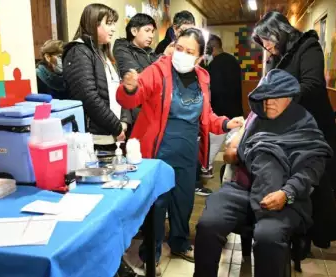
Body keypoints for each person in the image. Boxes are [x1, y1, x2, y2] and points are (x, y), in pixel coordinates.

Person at [117, 28, 244, 275]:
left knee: (184, 202)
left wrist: (226, 123)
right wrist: (130, 88)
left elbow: (206, 117)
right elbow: (131, 99)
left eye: (190, 52)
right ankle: (150, 254)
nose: (182, 54)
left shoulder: (203, 77)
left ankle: (179, 243)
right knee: (157, 204)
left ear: (199, 58)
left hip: (187, 152)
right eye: (179, 48)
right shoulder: (158, 70)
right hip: (157, 152)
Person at [194, 69, 333, 277]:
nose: (269, 102)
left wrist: (287, 193)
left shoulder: (304, 123)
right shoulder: (256, 118)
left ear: (289, 97)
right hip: (243, 189)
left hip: (281, 194)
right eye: (265, 96)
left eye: (276, 96)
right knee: (208, 224)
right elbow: (234, 153)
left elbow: (311, 169)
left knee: (268, 236)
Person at [252, 11, 336, 249]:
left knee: (314, 178)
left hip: (312, 124)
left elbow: (312, 85)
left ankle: (307, 234)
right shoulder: (277, 56)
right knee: (287, 174)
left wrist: (281, 102)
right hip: (287, 128)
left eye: (268, 41)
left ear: (279, 31)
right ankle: (291, 228)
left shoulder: (308, 46)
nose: (268, 47)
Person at [62, 3, 128, 150]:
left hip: (112, 135)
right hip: (94, 139)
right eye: (109, 23)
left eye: (113, 24)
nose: (113, 29)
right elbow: (88, 97)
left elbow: (118, 90)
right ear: (94, 23)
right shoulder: (79, 51)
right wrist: (116, 126)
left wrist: (123, 121)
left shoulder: (104, 53)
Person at [200, 34, 243, 179]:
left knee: (213, 146)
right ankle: (231, 176)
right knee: (233, 146)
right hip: (236, 111)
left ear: (211, 48)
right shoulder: (233, 60)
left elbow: (214, 90)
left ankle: (206, 168)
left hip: (219, 114)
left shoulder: (214, 65)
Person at [114, 13, 159, 137]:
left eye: (153, 31)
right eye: (147, 30)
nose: (151, 35)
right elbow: (137, 76)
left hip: (152, 113)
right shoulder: (122, 49)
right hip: (134, 113)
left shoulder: (151, 53)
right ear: (134, 31)